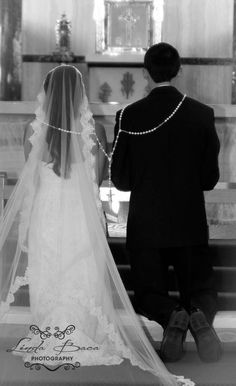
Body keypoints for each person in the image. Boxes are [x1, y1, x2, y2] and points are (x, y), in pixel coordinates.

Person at [0, 64, 192, 386]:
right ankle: (83, 333)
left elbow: (30, 178)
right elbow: (99, 179)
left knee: (50, 267)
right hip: (80, 212)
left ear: (47, 93)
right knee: (81, 268)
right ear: (79, 94)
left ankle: (51, 334)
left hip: (47, 212)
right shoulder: (96, 132)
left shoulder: (33, 129)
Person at [111, 43, 222, 363]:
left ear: (145, 73)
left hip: (146, 224)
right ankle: (196, 312)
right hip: (189, 221)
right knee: (200, 286)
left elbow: (121, 180)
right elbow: (209, 179)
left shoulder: (128, 115)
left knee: (147, 292)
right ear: (179, 70)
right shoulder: (202, 114)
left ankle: (172, 313)